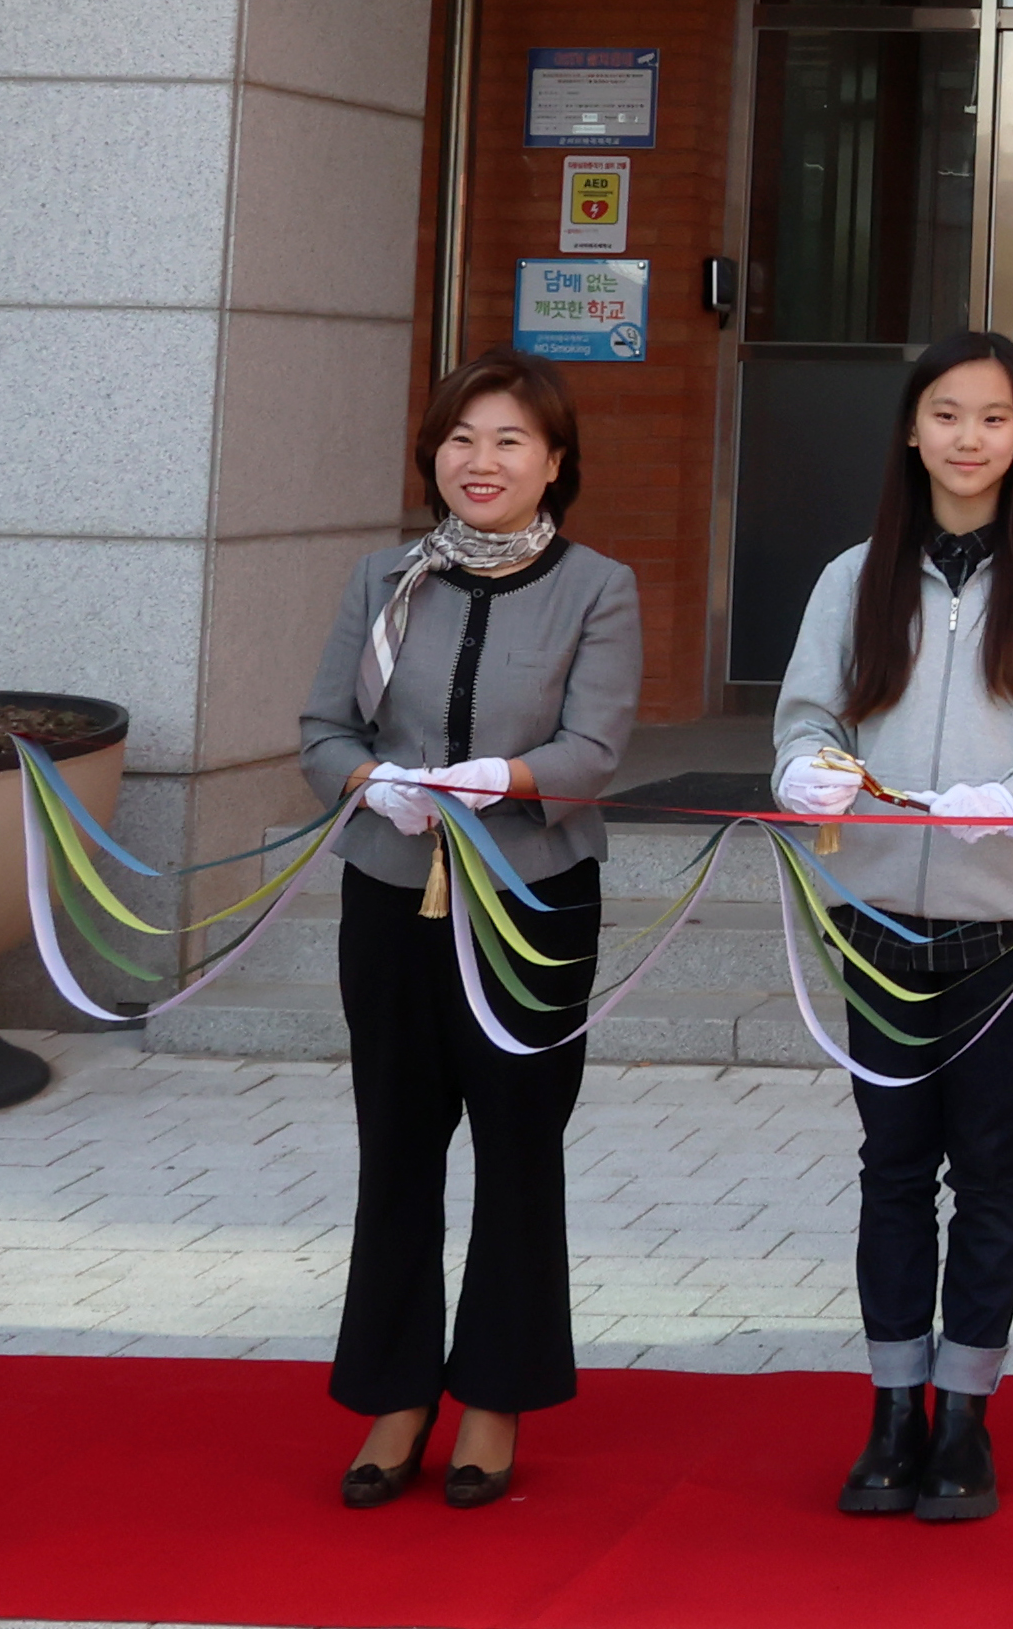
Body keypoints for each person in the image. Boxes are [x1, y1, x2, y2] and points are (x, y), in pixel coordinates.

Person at [768, 330, 1013, 1528]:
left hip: (1003, 920)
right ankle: (891, 1409)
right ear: (911, 430)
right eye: (946, 414)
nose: (968, 438)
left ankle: (969, 1413)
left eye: (992, 417)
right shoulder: (852, 576)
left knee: (989, 1166)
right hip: (873, 914)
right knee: (890, 1166)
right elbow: (808, 716)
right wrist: (807, 771)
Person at [299, 352, 644, 1512]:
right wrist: (367, 783)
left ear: (555, 465)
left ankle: (495, 1394)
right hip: (390, 891)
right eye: (460, 439)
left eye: (508, 441)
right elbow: (320, 730)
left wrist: (497, 779)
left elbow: (596, 752)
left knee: (515, 1142)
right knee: (396, 1143)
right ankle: (397, 1395)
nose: (479, 461)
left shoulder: (597, 586)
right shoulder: (384, 579)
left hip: (531, 899)